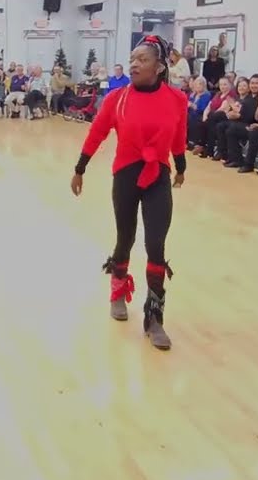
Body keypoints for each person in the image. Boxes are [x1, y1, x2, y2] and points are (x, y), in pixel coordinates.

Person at [71, 34, 187, 350]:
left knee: (156, 244)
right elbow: (97, 133)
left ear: (160, 67)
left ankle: (154, 317)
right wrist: (80, 168)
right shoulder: (117, 98)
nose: (135, 64)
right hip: (126, 175)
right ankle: (118, 290)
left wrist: (181, 166)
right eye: (133, 58)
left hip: (158, 176)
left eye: (142, 59)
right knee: (126, 238)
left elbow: (179, 134)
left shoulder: (176, 99)